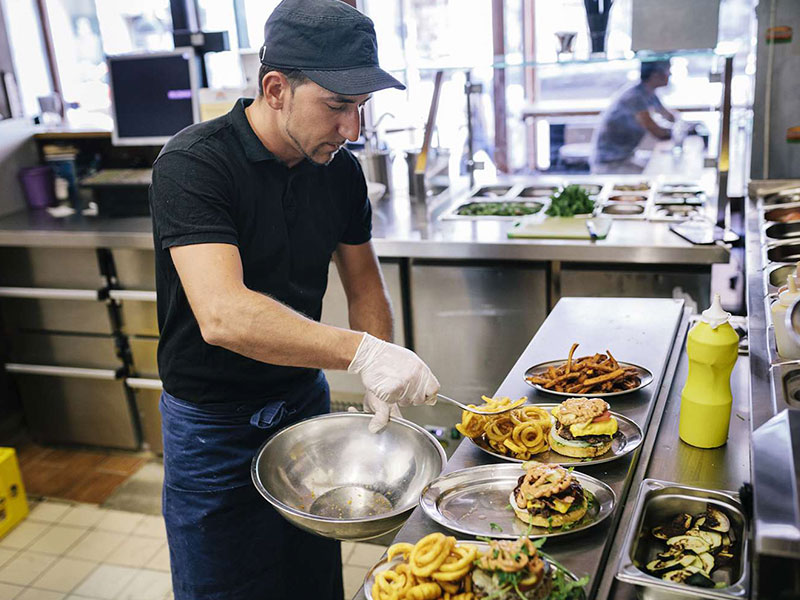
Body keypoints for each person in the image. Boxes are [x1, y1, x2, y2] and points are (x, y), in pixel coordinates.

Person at [148, 1, 440, 598]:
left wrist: (376, 367)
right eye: (336, 106)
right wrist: (363, 354)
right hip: (214, 429)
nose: (351, 130)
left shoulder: (338, 170)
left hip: (304, 409)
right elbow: (224, 315)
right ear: (276, 88)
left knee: (308, 583)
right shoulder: (194, 164)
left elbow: (364, 284)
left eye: (360, 109)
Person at [590, 60, 676, 174]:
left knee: (660, 168)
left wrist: (679, 125)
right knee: (658, 174)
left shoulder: (648, 92)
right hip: (610, 164)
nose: (670, 74)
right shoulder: (635, 97)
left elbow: (670, 116)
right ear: (655, 75)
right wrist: (677, 132)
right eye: (667, 70)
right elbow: (656, 131)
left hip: (626, 158)